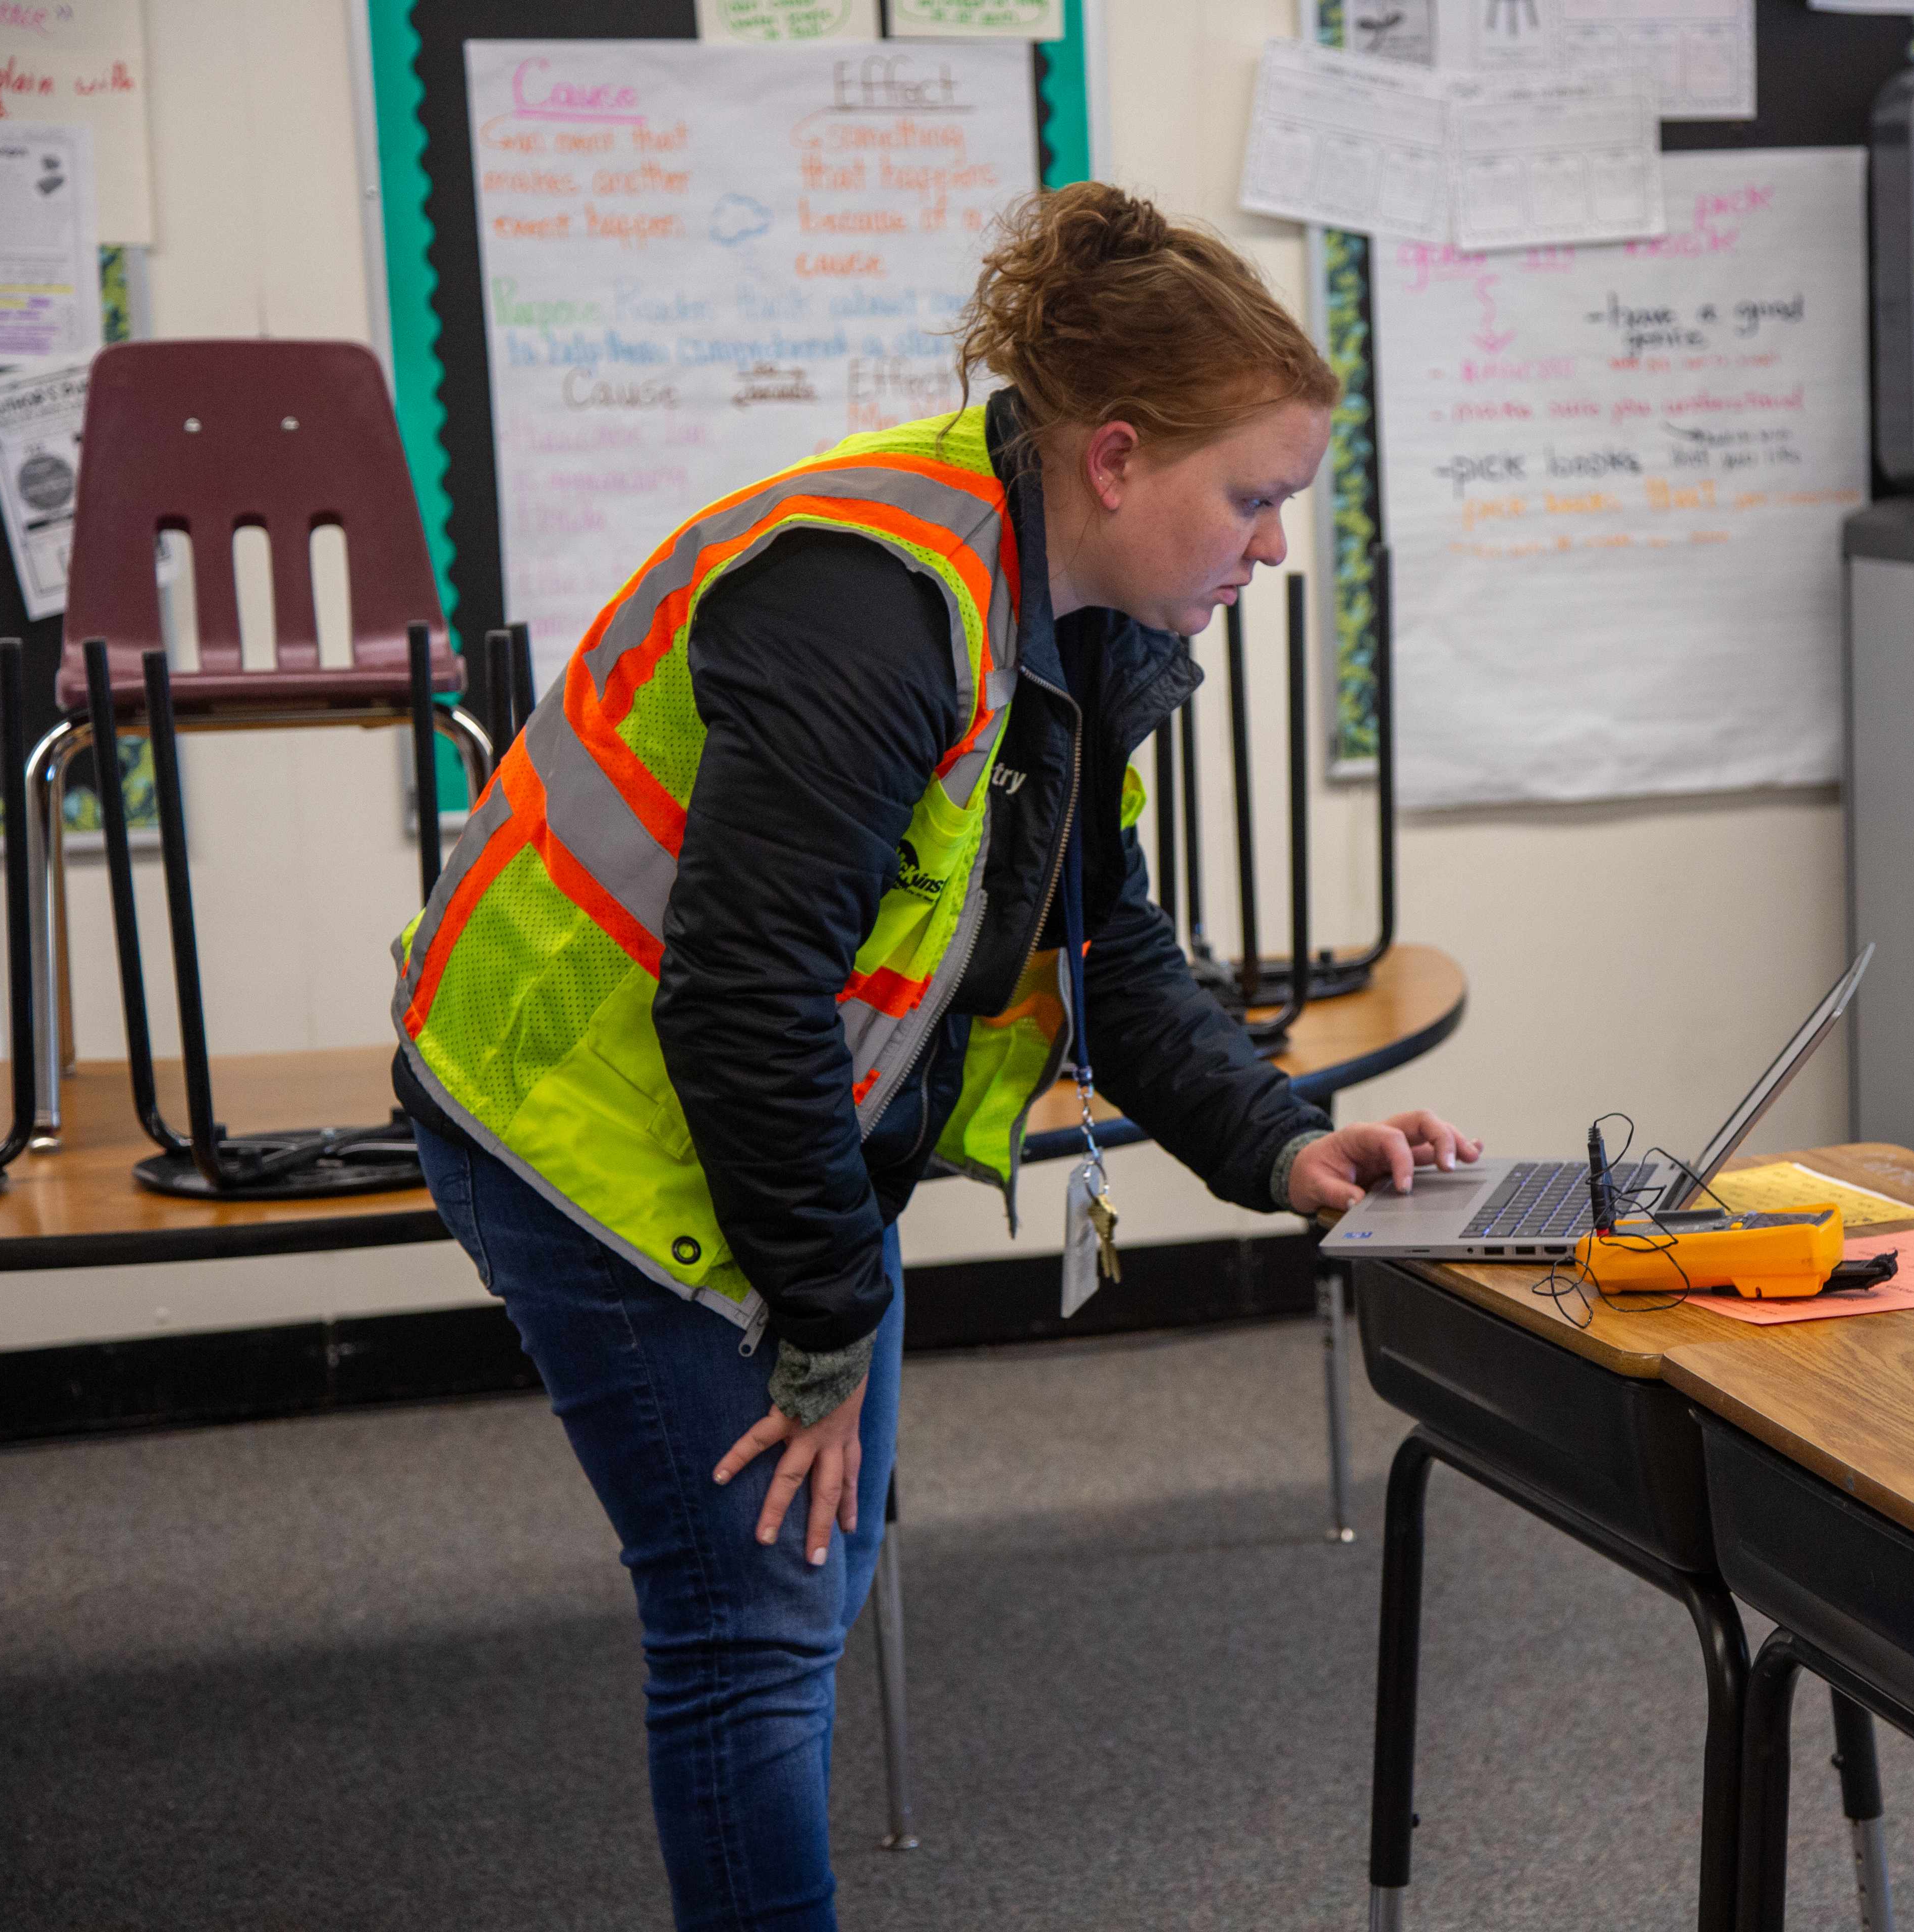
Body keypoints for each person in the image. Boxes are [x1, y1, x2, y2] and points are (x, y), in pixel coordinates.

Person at [391, 182, 1478, 1930]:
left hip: (765, 1113)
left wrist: (1280, 1142)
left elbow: (1096, 933)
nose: (1274, 548)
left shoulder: (1086, 608)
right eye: (1255, 499)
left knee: (809, 1578)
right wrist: (825, 1315)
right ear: (1117, 457)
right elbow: (739, 1003)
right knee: (752, 1623)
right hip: (578, 1121)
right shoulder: (870, 608)